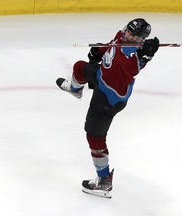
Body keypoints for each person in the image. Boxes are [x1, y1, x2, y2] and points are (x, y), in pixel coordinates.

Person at [56, 18, 159, 198]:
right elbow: (112, 45)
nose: (129, 36)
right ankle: (75, 88)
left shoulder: (132, 52)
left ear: (141, 41)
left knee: (94, 136)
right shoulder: (121, 37)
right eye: (129, 31)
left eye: (135, 37)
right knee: (80, 67)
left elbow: (132, 70)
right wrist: (99, 50)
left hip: (109, 98)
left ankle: (104, 181)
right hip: (102, 75)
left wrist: (145, 56)